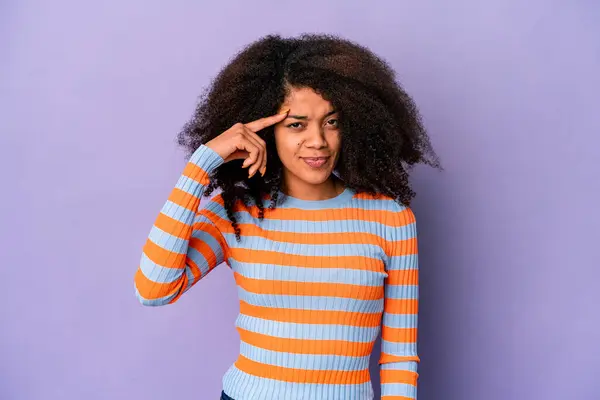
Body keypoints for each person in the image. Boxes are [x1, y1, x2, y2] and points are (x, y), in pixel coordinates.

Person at [134, 33, 440, 400]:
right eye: (297, 124)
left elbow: (399, 358)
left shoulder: (390, 219)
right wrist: (203, 164)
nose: (318, 141)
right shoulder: (236, 212)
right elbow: (154, 288)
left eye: (332, 122)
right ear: (265, 130)